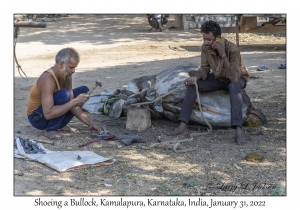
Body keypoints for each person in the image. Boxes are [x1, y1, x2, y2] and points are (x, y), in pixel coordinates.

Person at [166, 20, 249, 145]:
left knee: (234, 87)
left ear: (218, 38)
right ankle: (182, 125)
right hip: (219, 77)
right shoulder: (205, 48)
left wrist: (223, 55)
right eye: (204, 39)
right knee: (192, 86)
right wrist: (196, 77)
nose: (206, 42)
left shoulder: (232, 49)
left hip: (236, 78)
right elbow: (204, 68)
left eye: (209, 39)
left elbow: (234, 76)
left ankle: (238, 131)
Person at [27, 47, 101, 140]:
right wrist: (75, 101)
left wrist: (91, 124)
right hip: (38, 118)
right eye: (71, 67)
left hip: (51, 113)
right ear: (62, 64)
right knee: (65, 94)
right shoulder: (47, 78)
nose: (73, 71)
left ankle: (59, 125)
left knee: (83, 91)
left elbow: (73, 103)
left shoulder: (66, 75)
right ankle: (50, 130)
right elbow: (48, 114)